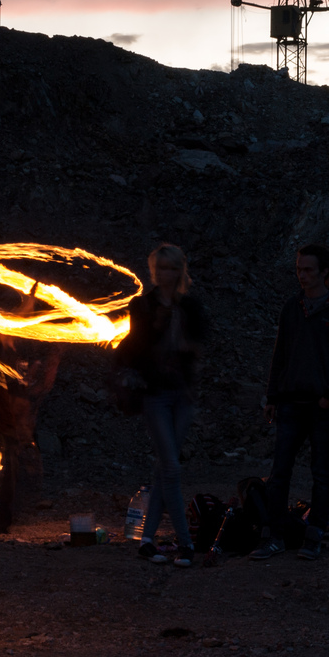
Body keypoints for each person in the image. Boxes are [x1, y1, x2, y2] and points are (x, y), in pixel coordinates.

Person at [255, 244, 329, 561]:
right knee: (279, 472)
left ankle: (312, 538)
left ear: (325, 272)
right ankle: (275, 537)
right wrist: (273, 396)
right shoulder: (292, 307)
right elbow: (280, 354)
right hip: (290, 403)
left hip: (321, 406)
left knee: (320, 474)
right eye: (299, 269)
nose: (301, 275)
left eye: (308, 269)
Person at [114, 243, 208, 568]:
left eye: (171, 268)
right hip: (155, 395)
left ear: (180, 270)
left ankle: (148, 540)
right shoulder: (142, 306)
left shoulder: (190, 307)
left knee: (163, 469)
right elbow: (135, 345)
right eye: (160, 268)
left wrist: (187, 347)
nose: (165, 274)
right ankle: (186, 544)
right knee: (171, 468)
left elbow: (201, 342)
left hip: (182, 396)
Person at [0, 285, 62, 534]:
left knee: (18, 457)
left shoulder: (34, 337)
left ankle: (10, 515)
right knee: (6, 457)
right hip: (2, 405)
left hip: (24, 405)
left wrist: (37, 390)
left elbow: (50, 360)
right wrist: (21, 312)